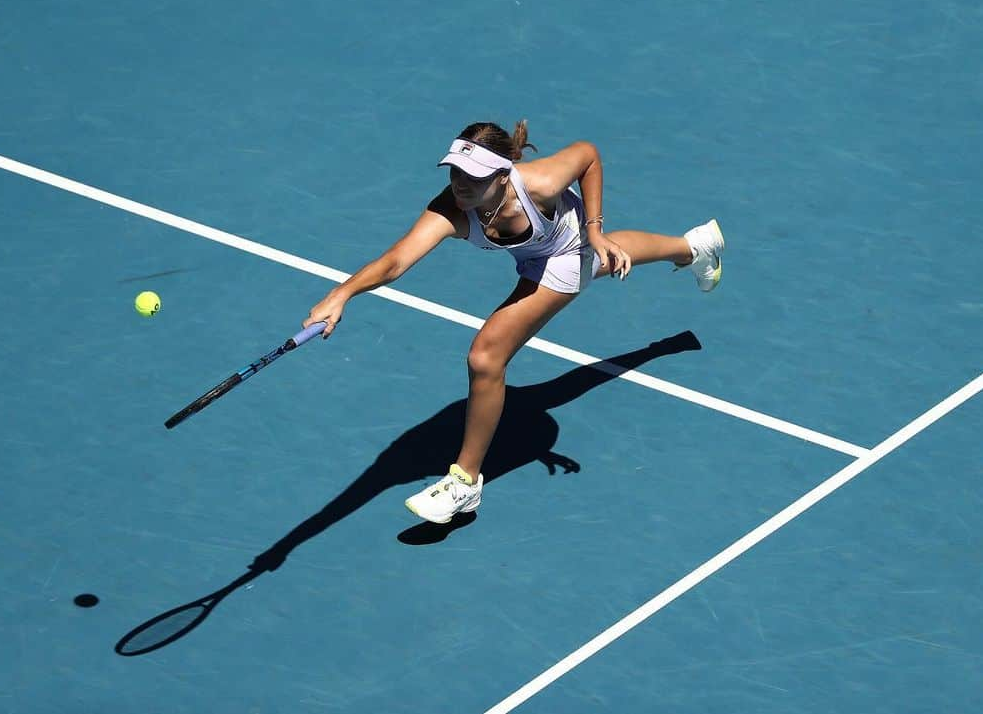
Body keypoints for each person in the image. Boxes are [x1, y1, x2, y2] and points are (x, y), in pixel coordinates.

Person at [302, 120, 724, 524]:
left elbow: (588, 156)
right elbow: (395, 261)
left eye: (474, 176)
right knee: (605, 259)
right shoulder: (452, 208)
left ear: (504, 175)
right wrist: (342, 294)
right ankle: (693, 247)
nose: (461, 184)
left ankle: (464, 482)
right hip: (535, 252)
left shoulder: (539, 183)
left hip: (565, 252)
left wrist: (595, 230)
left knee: (486, 356)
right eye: (456, 173)